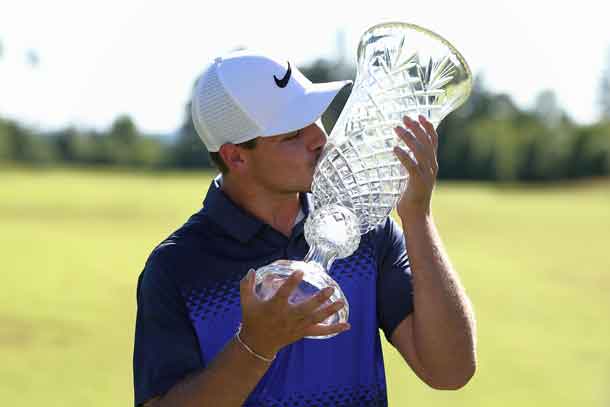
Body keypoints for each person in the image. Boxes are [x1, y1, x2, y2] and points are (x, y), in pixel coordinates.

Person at [133, 49, 477, 407]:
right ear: (235, 156)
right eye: (293, 133)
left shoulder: (363, 229)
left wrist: (417, 217)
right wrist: (255, 346)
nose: (318, 137)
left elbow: (451, 371)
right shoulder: (175, 267)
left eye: (315, 118)